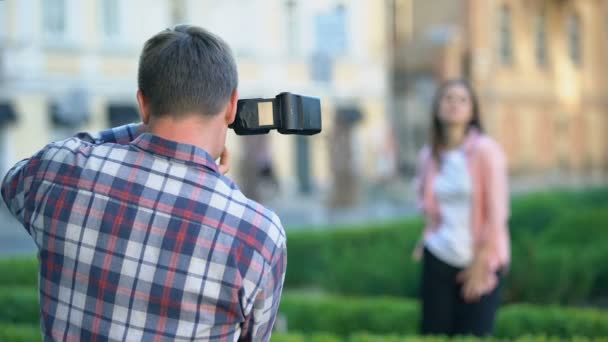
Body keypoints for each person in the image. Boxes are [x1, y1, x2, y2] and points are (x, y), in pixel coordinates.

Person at [1, 25, 286, 341]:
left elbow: (13, 183)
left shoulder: (60, 171)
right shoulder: (258, 235)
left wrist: (141, 129)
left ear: (143, 103)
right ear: (232, 105)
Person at [412, 79, 510, 336]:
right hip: (439, 256)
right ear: (437, 108)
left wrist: (480, 262)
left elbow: (497, 213)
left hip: (480, 258)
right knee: (434, 333)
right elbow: (428, 206)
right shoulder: (429, 156)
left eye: (462, 99)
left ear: (473, 111)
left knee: (475, 333)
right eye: (448, 98)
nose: (454, 104)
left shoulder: (487, 151)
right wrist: (427, 237)